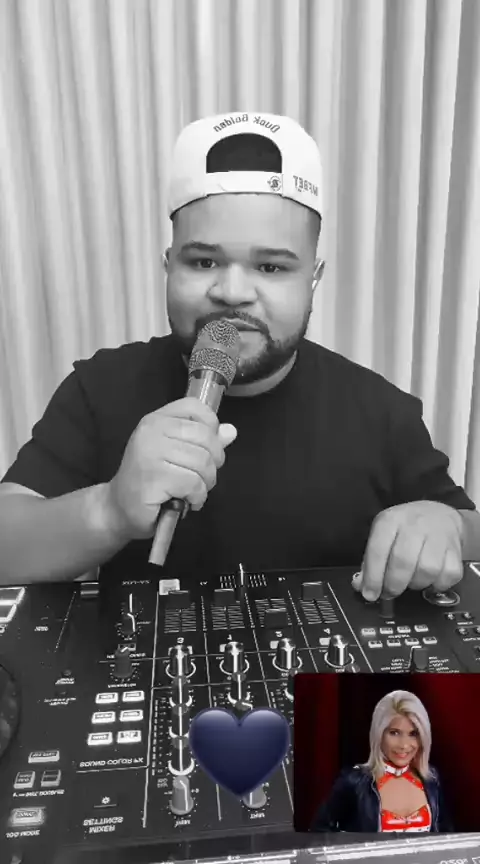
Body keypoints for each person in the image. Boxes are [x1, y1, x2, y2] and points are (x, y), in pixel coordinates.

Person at [0, 111, 479, 589]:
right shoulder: (100, 388)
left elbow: (470, 532)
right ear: (169, 266)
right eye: (203, 261)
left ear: (314, 278)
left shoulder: (382, 412)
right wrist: (109, 510)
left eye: (271, 268)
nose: (231, 292)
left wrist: (448, 528)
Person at [310, 689, 452, 833]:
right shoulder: (355, 782)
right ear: (379, 733)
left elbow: (446, 834)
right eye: (394, 733)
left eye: (413, 734)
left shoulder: (431, 779)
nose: (404, 745)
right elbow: (318, 831)